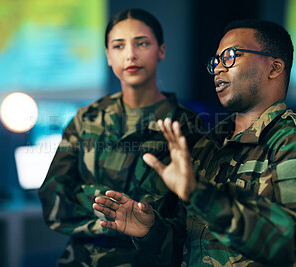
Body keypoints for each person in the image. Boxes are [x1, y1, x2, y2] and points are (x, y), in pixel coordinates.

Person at [93, 19, 296, 266]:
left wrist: (199, 194)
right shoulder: (208, 146)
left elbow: (288, 245)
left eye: (231, 56)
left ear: (275, 68)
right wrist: (150, 230)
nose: (219, 69)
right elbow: (190, 250)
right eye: (215, 61)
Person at [38, 8, 203, 267]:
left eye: (142, 43)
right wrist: (118, 211)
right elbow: (52, 197)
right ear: (107, 56)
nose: (130, 55)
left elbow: (193, 226)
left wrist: (85, 195)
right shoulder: (87, 118)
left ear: (161, 50)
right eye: (118, 46)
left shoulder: (187, 127)